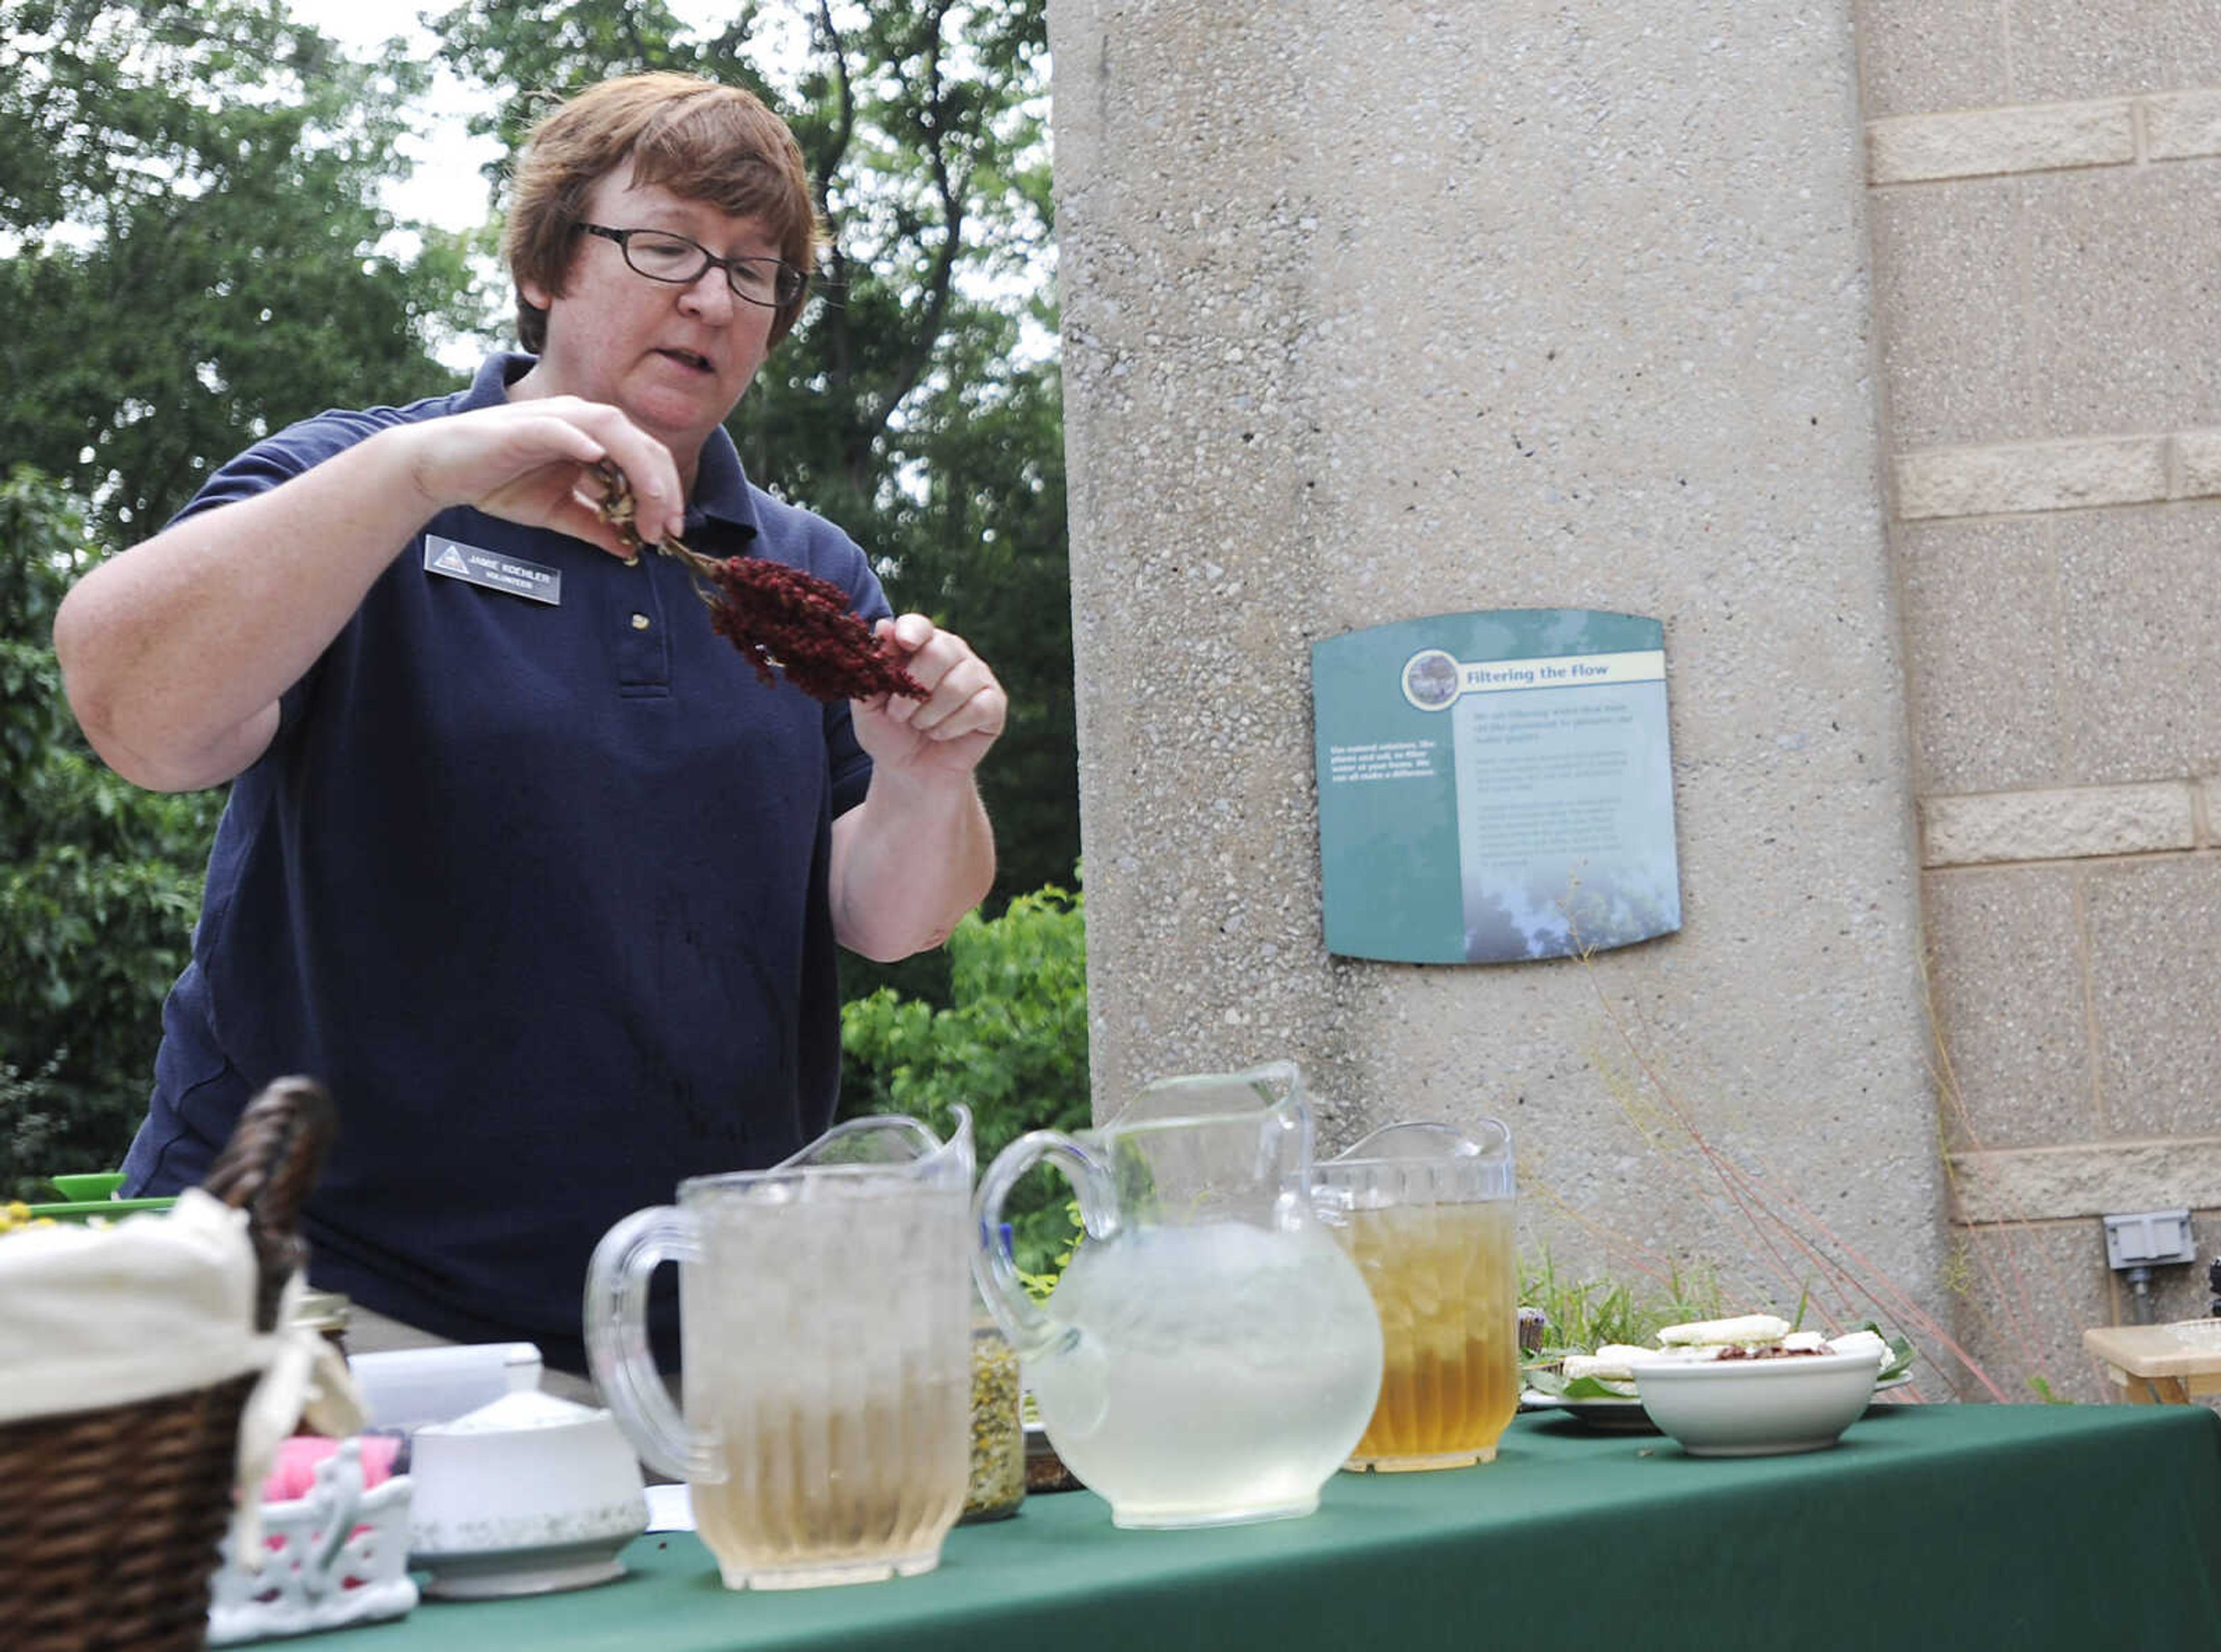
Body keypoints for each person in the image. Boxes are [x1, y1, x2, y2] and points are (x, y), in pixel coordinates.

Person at [50, 72, 1006, 1383]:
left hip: (697, 1340)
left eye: (758, 271)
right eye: (666, 246)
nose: (715, 298)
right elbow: (138, 721)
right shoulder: (358, 485)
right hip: (336, 1318)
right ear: (551, 264)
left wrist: (926, 783)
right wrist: (428, 469)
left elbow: (895, 917)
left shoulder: (811, 571)